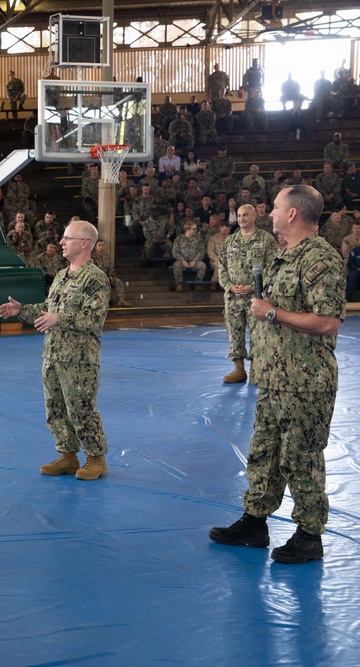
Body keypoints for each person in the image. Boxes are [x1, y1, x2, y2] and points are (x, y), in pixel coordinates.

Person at [210, 185, 345, 564]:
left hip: (305, 381)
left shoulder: (320, 259)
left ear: (292, 214)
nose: (270, 213)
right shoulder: (282, 254)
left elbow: (329, 321)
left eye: (275, 207)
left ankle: (309, 535)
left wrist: (271, 313)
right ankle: (255, 522)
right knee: (264, 453)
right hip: (272, 377)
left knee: (301, 457)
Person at [0, 220, 111, 480]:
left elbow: (93, 319)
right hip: (53, 353)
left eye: (67, 238)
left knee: (81, 408)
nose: (61, 242)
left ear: (84, 243)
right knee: (55, 408)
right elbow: (49, 309)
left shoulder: (95, 279)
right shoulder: (62, 275)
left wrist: (60, 319)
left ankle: (96, 458)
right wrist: (21, 310)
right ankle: (68, 456)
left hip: (80, 358)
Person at [217, 204, 277, 383]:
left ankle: (255, 371)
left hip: (255, 297)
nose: (242, 218)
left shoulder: (266, 239)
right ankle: (239, 370)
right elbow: (222, 267)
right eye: (239, 215)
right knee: (235, 334)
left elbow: (273, 267)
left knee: (258, 335)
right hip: (233, 298)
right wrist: (229, 286)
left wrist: (252, 286)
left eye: (245, 215)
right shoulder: (230, 241)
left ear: (254, 217)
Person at [171, 221, 207, 291]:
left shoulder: (199, 240)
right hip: (182, 261)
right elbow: (175, 252)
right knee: (176, 265)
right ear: (187, 229)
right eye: (194, 229)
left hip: (194, 261)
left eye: (196, 229)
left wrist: (194, 260)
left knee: (202, 266)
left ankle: (197, 284)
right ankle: (179, 284)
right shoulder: (178, 239)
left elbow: (201, 251)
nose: (196, 230)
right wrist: (183, 260)